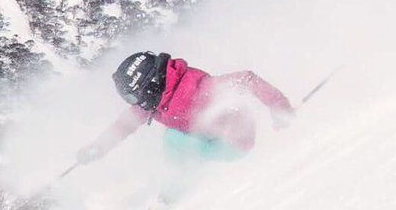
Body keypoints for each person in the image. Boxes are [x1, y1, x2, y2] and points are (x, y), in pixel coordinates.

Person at [76, 51, 296, 164]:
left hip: (235, 144)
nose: (137, 103)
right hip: (207, 139)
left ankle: (184, 187)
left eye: (134, 97)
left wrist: (280, 109)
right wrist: (99, 148)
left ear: (150, 86)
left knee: (173, 140)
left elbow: (247, 80)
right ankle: (183, 181)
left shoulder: (200, 88)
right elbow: (126, 124)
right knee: (173, 140)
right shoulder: (156, 102)